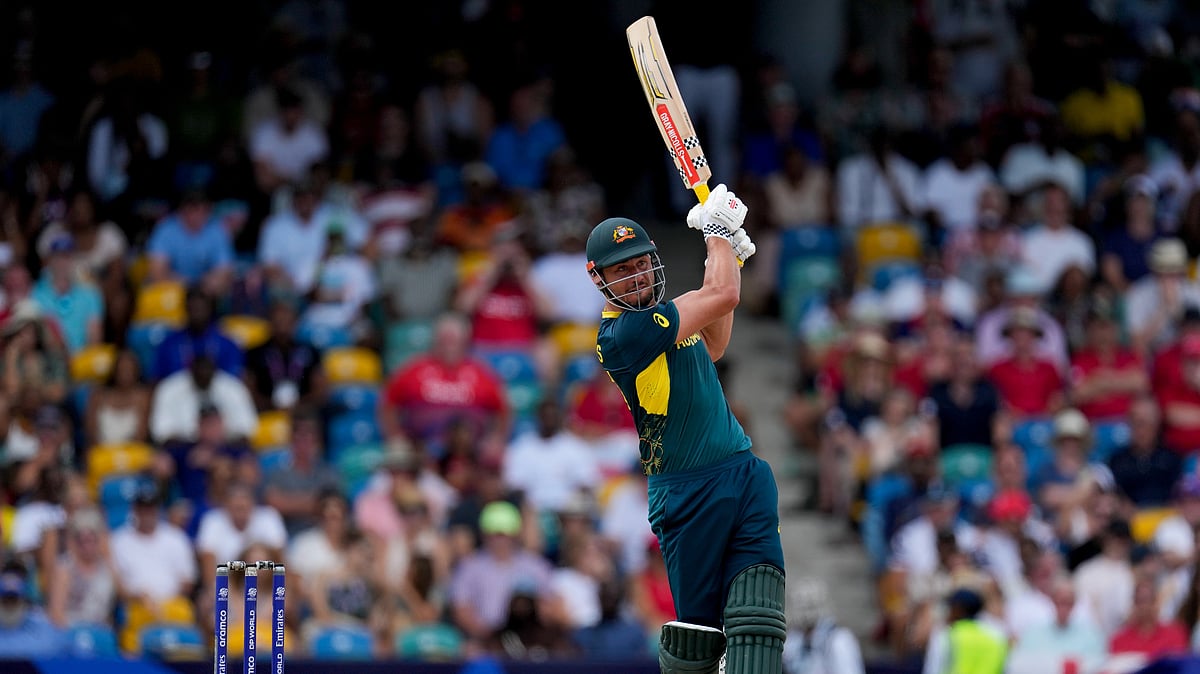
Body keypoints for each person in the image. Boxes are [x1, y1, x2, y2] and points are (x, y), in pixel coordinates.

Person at [583, 184, 783, 674]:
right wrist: (717, 234)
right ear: (598, 279)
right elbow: (722, 293)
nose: (634, 278)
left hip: (742, 471)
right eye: (620, 270)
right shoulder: (623, 334)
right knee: (700, 642)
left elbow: (714, 341)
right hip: (687, 493)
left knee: (758, 624)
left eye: (639, 263)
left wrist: (729, 250)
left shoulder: (670, 315)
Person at [781, 577, 864, 674]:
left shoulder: (839, 640)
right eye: (800, 605)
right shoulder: (793, 640)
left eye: (810, 605)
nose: (804, 612)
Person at [922, 588, 1007, 674]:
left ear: (958, 609)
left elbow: (934, 669)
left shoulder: (947, 635)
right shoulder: (996, 635)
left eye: (950, 608)